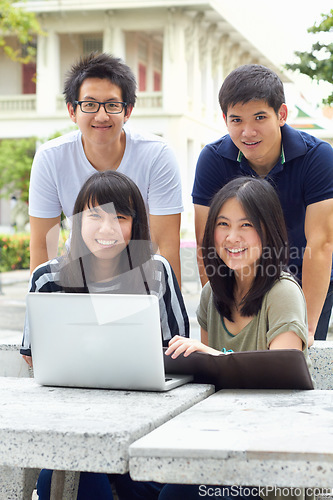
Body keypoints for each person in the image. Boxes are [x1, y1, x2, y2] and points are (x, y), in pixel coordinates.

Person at [113, 176, 311, 500]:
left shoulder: (283, 292)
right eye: (223, 224)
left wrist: (208, 354)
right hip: (215, 445)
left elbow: (283, 380)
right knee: (120, 470)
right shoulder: (211, 293)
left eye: (246, 225)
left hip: (266, 463)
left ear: (269, 231)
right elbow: (209, 381)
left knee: (175, 496)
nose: (232, 237)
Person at [21, 170, 189, 500]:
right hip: (70, 424)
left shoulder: (156, 272)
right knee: (69, 478)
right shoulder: (48, 278)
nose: (107, 229)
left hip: (144, 423)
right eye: (94, 216)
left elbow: (177, 352)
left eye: (120, 217)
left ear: (135, 225)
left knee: (148, 483)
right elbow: (31, 355)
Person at [192, 64, 333, 343]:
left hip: (303, 280)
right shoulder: (212, 159)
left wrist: (308, 328)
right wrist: (220, 308)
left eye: (259, 117)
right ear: (225, 119)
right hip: (238, 283)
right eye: (236, 120)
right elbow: (207, 242)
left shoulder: (318, 157)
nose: (248, 132)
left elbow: (321, 243)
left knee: (291, 370)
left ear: (281, 114)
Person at [29, 52, 183, 284]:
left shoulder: (157, 155)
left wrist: (166, 309)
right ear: (72, 111)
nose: (101, 116)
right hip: (79, 274)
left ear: (127, 111)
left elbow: (167, 246)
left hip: (140, 277)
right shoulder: (50, 158)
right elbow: (42, 245)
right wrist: (40, 305)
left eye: (112, 105)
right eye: (89, 104)